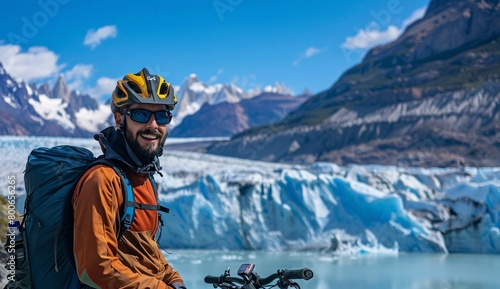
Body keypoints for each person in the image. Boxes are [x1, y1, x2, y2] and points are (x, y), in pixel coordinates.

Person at [72, 68, 187, 289]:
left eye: (162, 116)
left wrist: (173, 280)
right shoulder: (103, 180)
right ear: (119, 119)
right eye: (141, 114)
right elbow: (96, 269)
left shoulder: (145, 177)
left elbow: (145, 251)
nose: (153, 125)